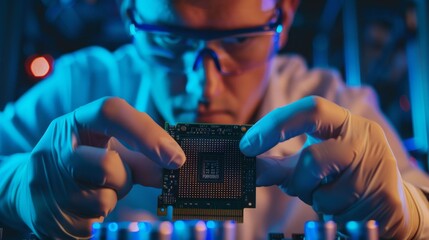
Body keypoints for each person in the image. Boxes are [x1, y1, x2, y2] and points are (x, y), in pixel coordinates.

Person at [0, 0, 428, 239]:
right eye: (170, 39)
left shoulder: (339, 104)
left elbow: (421, 201)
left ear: (286, 13)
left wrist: (409, 217)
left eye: (240, 40)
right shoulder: (81, 85)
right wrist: (13, 187)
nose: (203, 86)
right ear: (129, 11)